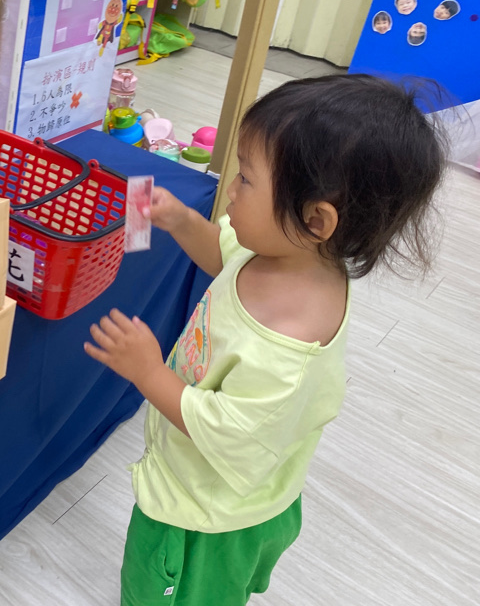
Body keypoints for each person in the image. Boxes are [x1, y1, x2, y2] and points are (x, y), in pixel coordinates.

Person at [84, 75, 444, 606]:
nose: (231, 188)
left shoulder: (285, 350)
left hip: (206, 518)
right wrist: (182, 221)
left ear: (316, 219)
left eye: (247, 178)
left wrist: (147, 372)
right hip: (221, 488)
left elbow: (223, 433)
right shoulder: (283, 255)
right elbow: (223, 256)